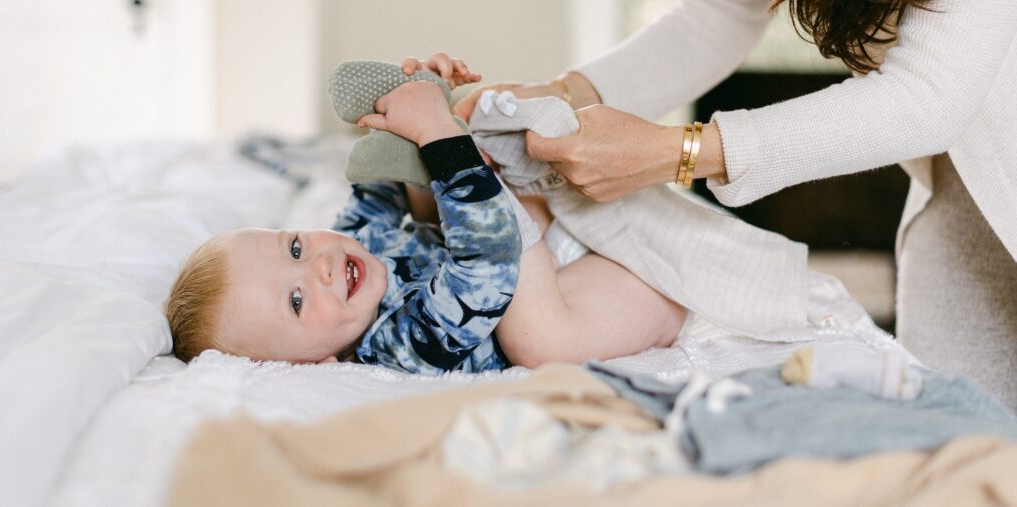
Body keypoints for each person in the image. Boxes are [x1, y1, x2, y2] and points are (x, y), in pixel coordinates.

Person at [453, 0, 1017, 408]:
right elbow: (720, 13)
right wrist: (565, 92)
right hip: (962, 189)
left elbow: (929, 94)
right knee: (953, 445)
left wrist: (678, 152)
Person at [165, 56, 686, 374]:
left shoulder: (354, 242)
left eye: (295, 248)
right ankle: (671, 296)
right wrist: (441, 138)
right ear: (310, 364)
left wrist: (420, 102)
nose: (318, 266)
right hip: (545, 290)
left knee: (429, 181)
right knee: (540, 341)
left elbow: (382, 180)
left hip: (543, 248)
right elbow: (484, 273)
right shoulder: (394, 346)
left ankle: (466, 126)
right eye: (296, 300)